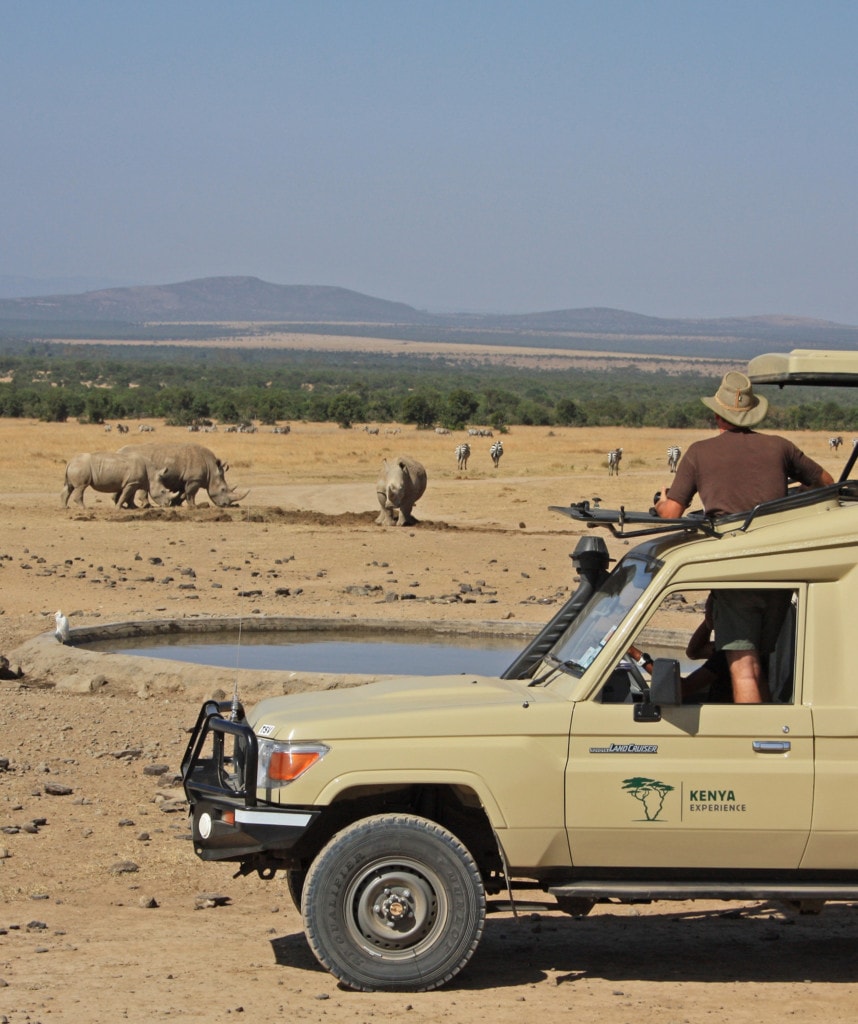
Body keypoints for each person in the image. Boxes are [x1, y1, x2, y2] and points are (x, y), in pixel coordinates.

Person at [654, 370, 833, 703]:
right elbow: (826, 483)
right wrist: (792, 495)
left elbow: (672, 513)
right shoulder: (781, 447)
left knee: (744, 669)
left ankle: (749, 736)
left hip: (736, 569)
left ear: (717, 415)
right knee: (758, 666)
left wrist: (661, 502)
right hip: (779, 573)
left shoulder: (699, 452)